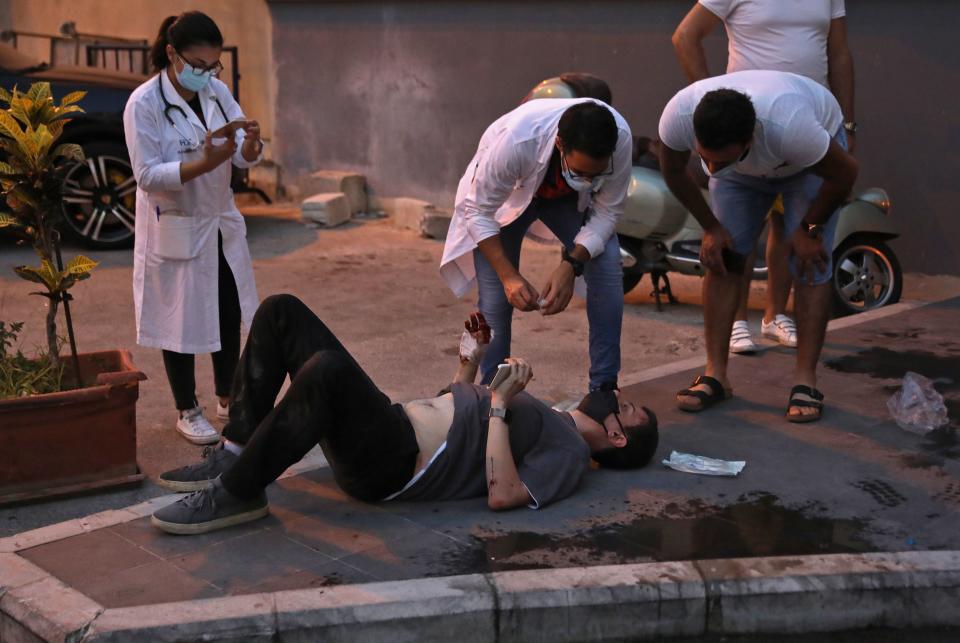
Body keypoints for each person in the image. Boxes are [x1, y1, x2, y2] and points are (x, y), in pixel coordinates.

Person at [150, 295, 659, 534]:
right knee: (280, 312)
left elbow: (503, 494)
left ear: (617, 437)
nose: (618, 398)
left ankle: (236, 493)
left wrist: (501, 405)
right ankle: (234, 452)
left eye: (628, 409)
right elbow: (459, 414)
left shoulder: (570, 452)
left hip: (392, 464)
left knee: (326, 370)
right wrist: (471, 363)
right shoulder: (552, 416)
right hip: (392, 428)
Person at [658, 70, 858, 422]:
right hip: (743, 177)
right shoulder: (679, 116)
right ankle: (715, 374)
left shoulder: (791, 126)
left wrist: (810, 229)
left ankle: (805, 382)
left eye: (722, 160)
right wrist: (711, 227)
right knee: (723, 259)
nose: (712, 168)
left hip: (806, 166)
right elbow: (674, 171)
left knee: (810, 261)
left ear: (751, 139)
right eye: (706, 159)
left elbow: (845, 174)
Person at [671, 0, 857, 354]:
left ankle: (774, 316)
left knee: (788, 228)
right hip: (747, 125)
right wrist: (711, 102)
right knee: (738, 235)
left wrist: (848, 122)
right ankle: (738, 321)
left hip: (804, 126)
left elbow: (839, 53)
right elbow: (685, 36)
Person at [124, 12, 263, 445]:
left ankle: (227, 397)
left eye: (213, 66)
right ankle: (187, 409)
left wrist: (251, 147)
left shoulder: (218, 93)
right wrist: (204, 162)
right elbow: (146, 175)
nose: (208, 74)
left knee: (226, 312)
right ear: (171, 53)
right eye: (199, 65)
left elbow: (239, 153)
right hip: (177, 224)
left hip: (218, 223)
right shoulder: (143, 104)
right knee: (179, 320)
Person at [440, 98, 633, 394]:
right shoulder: (518, 141)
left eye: (597, 174)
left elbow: (607, 212)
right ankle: (493, 397)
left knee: (607, 268)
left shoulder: (620, 140)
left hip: (564, 203)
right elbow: (478, 211)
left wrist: (571, 264)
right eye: (580, 172)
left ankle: (604, 392)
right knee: (495, 302)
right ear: (560, 145)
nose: (588, 181)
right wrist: (509, 277)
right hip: (505, 201)